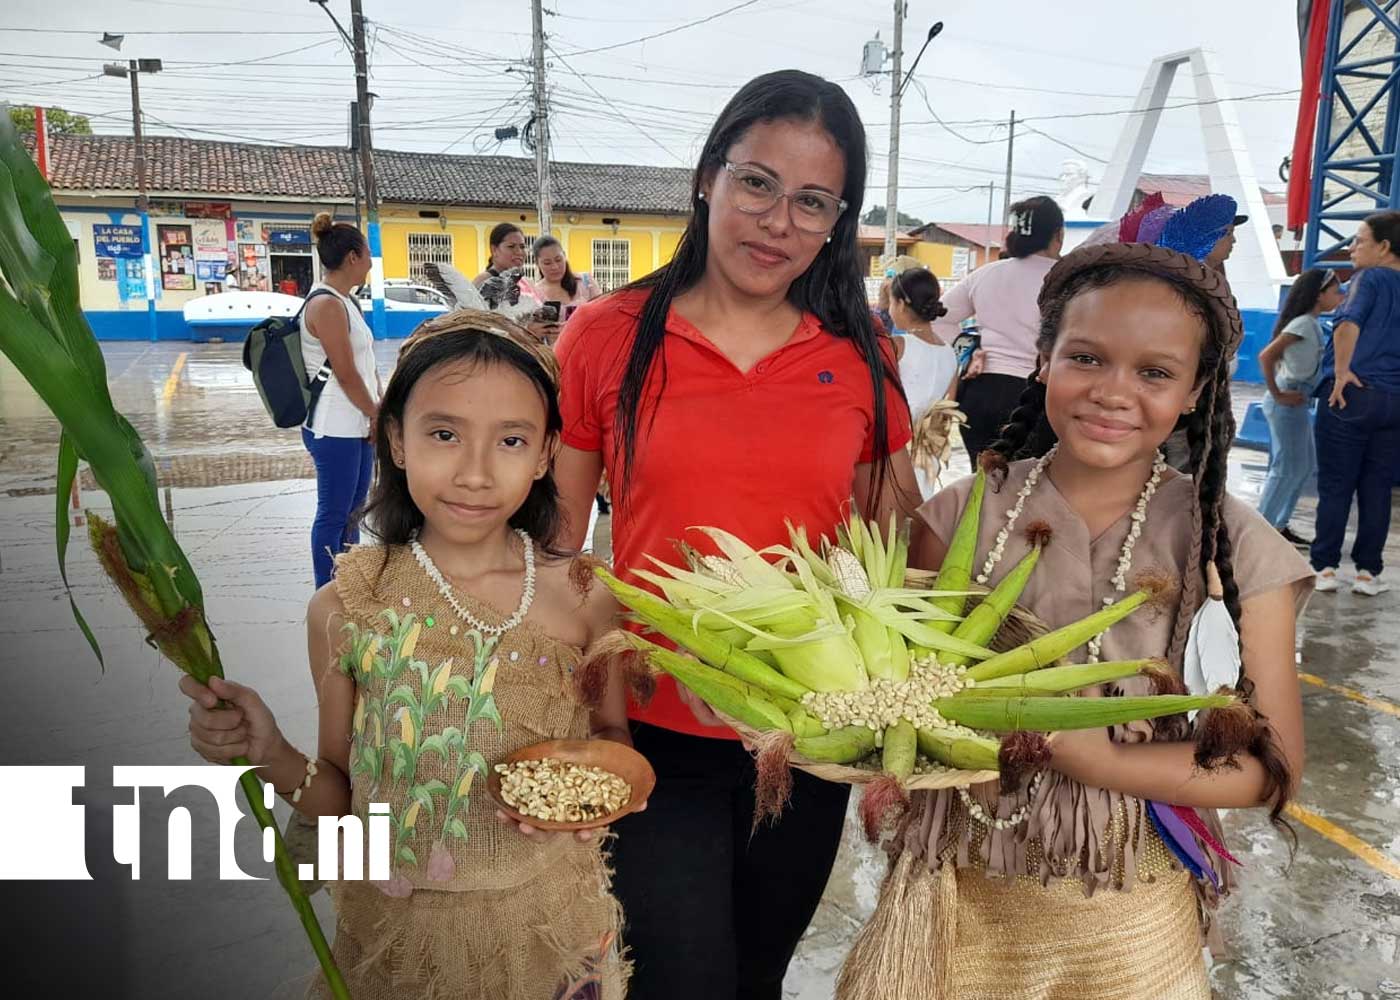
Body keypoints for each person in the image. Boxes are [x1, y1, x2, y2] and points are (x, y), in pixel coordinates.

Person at [839, 241, 1310, 1000]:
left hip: (1129, 905)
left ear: (1194, 391)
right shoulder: (957, 515)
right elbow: (883, 691)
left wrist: (1103, 764)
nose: (1114, 392)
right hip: (954, 889)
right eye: (1086, 358)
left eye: (1155, 373)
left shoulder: (1232, 546)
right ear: (1043, 361)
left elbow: (1268, 769)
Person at [553, 70, 918, 1000]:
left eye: (812, 202)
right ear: (707, 178)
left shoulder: (860, 351)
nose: (777, 222)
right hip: (649, 724)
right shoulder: (608, 335)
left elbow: (894, 531)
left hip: (808, 736)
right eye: (756, 183)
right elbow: (558, 544)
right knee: (680, 979)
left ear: (838, 220)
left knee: (758, 972)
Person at [179, 311, 634, 999]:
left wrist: (594, 798)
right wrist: (269, 752)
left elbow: (613, 741)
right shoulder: (347, 609)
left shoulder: (584, 599)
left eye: (510, 440)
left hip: (549, 937)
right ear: (395, 440)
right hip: (399, 950)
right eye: (444, 434)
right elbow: (338, 796)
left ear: (546, 455)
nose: (475, 473)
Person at [933, 195, 1065, 465]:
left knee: (981, 486)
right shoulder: (1069, 279)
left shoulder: (986, 273)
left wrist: (970, 349)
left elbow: (938, 318)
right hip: (1041, 396)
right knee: (1030, 490)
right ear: (1058, 235)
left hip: (980, 394)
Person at [1311, 210, 1400, 595]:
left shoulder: (1369, 278)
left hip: (1352, 395)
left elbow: (1348, 321)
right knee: (1377, 489)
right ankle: (1368, 573)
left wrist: (1343, 370)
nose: (1351, 248)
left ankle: (1325, 567)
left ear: (1384, 247)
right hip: (1393, 400)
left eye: (1359, 240)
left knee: (1336, 486)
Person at [301, 213, 381, 589]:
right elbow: (346, 372)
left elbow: (364, 367)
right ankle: (327, 590)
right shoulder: (326, 305)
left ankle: (348, 583)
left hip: (356, 422)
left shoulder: (346, 301)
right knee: (333, 515)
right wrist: (375, 413)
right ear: (352, 257)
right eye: (367, 254)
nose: (369, 262)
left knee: (352, 513)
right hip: (334, 425)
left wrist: (373, 412)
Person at [1257, 268, 1343, 545]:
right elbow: (1267, 355)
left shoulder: (1311, 323)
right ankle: (1261, 530)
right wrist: (1277, 393)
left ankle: (1279, 526)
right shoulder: (1304, 323)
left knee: (1303, 466)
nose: (1339, 297)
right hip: (1288, 400)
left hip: (1298, 400)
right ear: (1318, 295)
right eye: (1335, 291)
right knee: (1286, 468)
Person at [888, 267, 958, 496]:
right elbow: (946, 414)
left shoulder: (898, 346)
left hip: (892, 453)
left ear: (900, 304)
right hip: (926, 456)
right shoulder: (950, 353)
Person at [533, 235, 603, 320]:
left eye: (558, 260)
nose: (555, 267)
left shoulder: (586, 281)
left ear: (564, 256)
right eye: (547, 263)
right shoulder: (535, 292)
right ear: (537, 263)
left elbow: (601, 313)